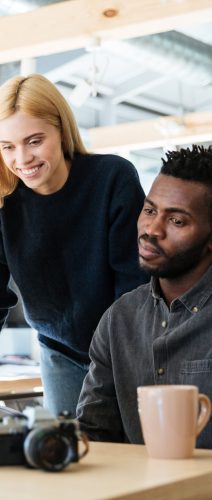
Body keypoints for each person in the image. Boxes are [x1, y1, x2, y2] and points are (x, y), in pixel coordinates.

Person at [0, 74, 147, 416]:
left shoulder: (112, 178)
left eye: (34, 141)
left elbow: (134, 288)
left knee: (130, 456)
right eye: (8, 146)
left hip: (126, 347)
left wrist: (119, 367)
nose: (22, 159)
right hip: (59, 352)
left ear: (61, 130)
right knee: (71, 459)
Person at [77, 145, 212, 448]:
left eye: (177, 221)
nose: (152, 229)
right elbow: (94, 433)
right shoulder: (118, 320)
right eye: (150, 210)